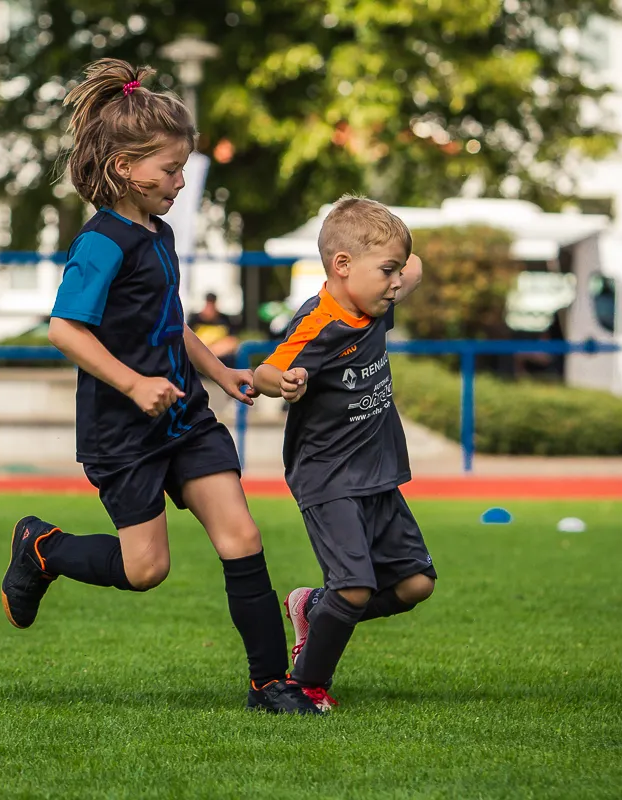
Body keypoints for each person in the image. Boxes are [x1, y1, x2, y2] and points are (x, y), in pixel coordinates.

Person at [0, 58, 320, 715]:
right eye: (171, 170)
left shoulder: (160, 233)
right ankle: (42, 548)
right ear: (124, 167)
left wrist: (219, 371)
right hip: (123, 431)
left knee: (242, 537)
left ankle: (269, 685)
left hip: (186, 419)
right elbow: (64, 329)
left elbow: (168, 321)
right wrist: (133, 384)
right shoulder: (100, 242)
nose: (179, 182)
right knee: (145, 570)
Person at [251, 196, 435, 712]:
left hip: (377, 475)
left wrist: (393, 257)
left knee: (416, 584)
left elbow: (413, 265)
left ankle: (313, 608)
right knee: (353, 588)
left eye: (397, 271)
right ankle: (305, 685)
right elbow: (265, 371)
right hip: (328, 477)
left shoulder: (374, 302)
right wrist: (284, 382)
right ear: (342, 265)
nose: (397, 283)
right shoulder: (318, 324)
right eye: (387, 271)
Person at [188, 292, 240, 368]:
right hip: (199, 361)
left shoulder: (224, 319)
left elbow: (232, 341)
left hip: (221, 359)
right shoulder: (194, 320)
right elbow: (188, 341)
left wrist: (211, 351)